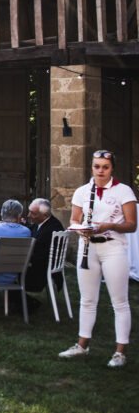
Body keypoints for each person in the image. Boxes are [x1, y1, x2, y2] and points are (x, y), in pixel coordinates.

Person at [59, 150, 137, 368]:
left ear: (112, 168)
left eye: (105, 167)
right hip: (88, 248)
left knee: (119, 302)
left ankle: (120, 351)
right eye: (97, 166)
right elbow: (75, 219)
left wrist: (108, 225)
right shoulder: (83, 191)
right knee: (87, 299)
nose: (100, 171)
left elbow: (132, 224)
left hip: (113, 248)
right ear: (91, 167)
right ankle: (82, 344)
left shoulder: (124, 191)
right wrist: (80, 229)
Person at [24, 197, 65, 295]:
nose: (29, 215)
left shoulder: (51, 229)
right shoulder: (44, 223)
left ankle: (27, 305)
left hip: (40, 273)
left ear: (45, 215)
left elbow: (39, 255)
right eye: (29, 211)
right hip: (41, 267)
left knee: (7, 273)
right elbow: (32, 229)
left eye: (33, 213)